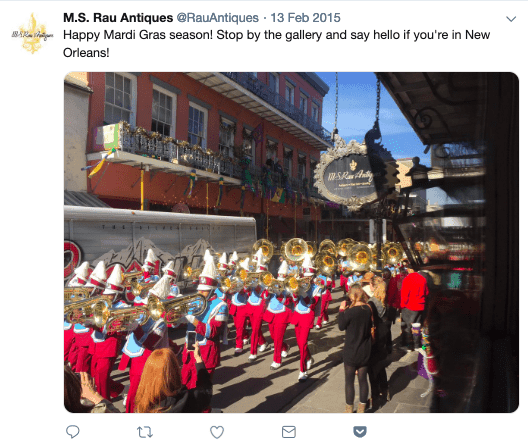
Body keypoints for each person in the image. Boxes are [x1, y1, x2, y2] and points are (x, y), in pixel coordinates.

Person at [121, 276, 171, 413]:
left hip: (146, 360)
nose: (148, 303)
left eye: (152, 300)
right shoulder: (144, 314)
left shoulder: (160, 322)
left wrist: (135, 326)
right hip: (135, 356)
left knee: (139, 393)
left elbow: (150, 343)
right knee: (135, 390)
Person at [179, 259, 229, 391]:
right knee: (185, 382)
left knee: (201, 389)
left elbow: (212, 331)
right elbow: (185, 325)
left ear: (212, 290)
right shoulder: (196, 301)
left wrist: (192, 320)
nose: (200, 293)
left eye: (204, 291)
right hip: (190, 343)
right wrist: (178, 318)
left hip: (206, 350)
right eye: (199, 290)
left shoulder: (221, 306)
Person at [135, 344, 213, 413]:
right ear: (175, 371)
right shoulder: (188, 399)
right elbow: (206, 391)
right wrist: (198, 359)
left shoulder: (143, 401)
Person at [89, 265, 127, 400]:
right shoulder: (100, 303)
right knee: (94, 374)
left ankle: (104, 403)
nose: (105, 295)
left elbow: (119, 328)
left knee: (101, 376)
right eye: (105, 292)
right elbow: (90, 320)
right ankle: (117, 389)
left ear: (116, 294)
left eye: (109, 293)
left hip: (109, 346)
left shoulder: (123, 306)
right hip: (96, 345)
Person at [338, 284, 372, 413]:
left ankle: (349, 410)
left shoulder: (350, 312)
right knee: (363, 380)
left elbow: (341, 326)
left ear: (353, 295)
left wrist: (342, 310)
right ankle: (362, 409)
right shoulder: (368, 309)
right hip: (364, 349)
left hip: (351, 350)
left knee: (349, 381)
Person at [68, 261, 107, 374]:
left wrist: (77, 313)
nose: (87, 290)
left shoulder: (100, 303)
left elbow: (91, 320)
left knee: (82, 370)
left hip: (87, 339)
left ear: (98, 290)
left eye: (90, 289)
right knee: (72, 364)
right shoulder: (88, 299)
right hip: (77, 336)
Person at [290, 256, 319, 381]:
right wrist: (295, 294)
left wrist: (303, 293)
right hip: (297, 315)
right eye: (305, 276)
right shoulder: (300, 284)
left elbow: (312, 304)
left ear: (312, 277)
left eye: (309, 277)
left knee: (302, 344)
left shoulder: (317, 289)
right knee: (299, 344)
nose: (306, 278)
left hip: (307, 317)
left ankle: (303, 371)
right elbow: (296, 302)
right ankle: (309, 358)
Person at [262, 260, 292, 370]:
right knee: (274, 336)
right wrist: (267, 290)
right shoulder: (274, 283)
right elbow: (265, 297)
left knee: (278, 338)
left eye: (283, 276)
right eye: (279, 276)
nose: (281, 278)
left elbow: (287, 302)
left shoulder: (289, 286)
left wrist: (280, 293)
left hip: (282, 313)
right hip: (271, 312)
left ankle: (277, 360)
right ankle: (285, 347)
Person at [367, 276, 390, 408]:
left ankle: (375, 394)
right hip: (383, 333)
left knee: (372, 367)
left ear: (373, 286)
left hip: (375, 335)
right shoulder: (382, 298)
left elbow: (370, 321)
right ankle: (385, 389)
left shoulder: (371, 302)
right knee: (380, 365)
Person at [246, 248, 271, 361]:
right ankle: (263, 342)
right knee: (255, 327)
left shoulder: (267, 281)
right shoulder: (252, 276)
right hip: (251, 303)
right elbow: (247, 290)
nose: (258, 274)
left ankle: (253, 352)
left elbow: (264, 294)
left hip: (260, 305)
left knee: (255, 330)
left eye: (260, 272)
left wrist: (258, 285)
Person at [64, 261, 90, 364]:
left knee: (73, 354)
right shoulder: (69, 292)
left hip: (75, 326)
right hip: (67, 325)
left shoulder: (84, 295)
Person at [400, 271, 429, 351]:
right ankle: (417, 345)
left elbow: (405, 294)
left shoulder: (407, 279)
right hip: (420, 306)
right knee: (416, 326)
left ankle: (409, 346)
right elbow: (427, 292)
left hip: (409, 306)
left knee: (408, 327)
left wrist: (402, 305)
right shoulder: (423, 279)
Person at [229, 258, 251, 355]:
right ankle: (245, 336)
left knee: (239, 327)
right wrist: (230, 288)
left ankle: (239, 346)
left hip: (243, 306)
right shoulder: (234, 279)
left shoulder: (248, 282)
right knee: (238, 326)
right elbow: (229, 291)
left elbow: (245, 291)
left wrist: (242, 287)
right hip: (235, 305)